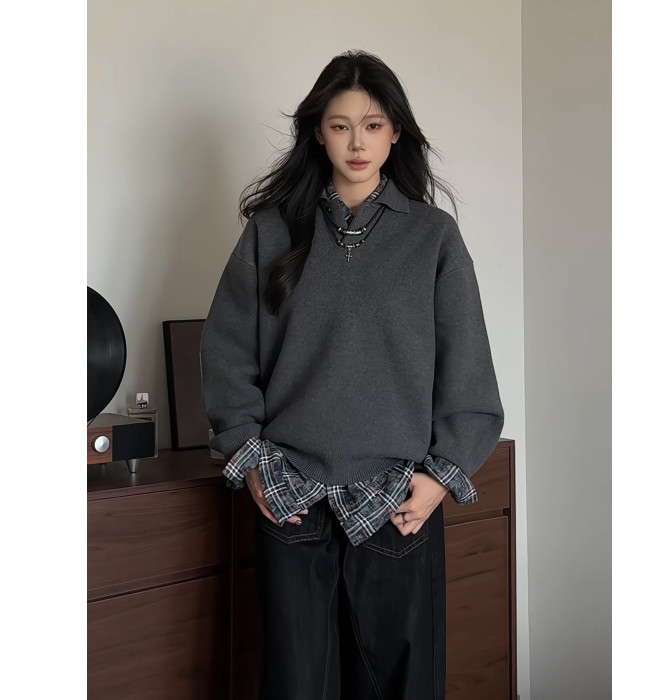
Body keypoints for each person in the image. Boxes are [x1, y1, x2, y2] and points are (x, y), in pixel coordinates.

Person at [201, 49, 504, 700]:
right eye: (340, 126)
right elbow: (226, 353)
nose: (357, 143)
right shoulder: (271, 233)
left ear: (396, 133)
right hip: (290, 498)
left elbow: (469, 370)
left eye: (372, 126)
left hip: (398, 502)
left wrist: (439, 478)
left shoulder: (433, 238)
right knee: (296, 685)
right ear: (318, 132)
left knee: (400, 686)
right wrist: (250, 459)